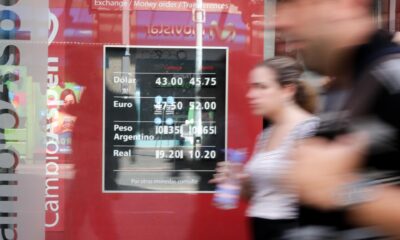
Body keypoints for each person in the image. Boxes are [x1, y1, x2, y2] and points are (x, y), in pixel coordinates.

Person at [274, 0, 400, 238]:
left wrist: (341, 190)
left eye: (295, 5)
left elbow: (334, 188)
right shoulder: (347, 84)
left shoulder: (392, 78)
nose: (280, 22)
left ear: (344, 5)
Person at [211, 56, 319, 240]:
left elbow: (318, 194)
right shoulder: (266, 135)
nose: (250, 94)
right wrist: (239, 180)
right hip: (262, 228)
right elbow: (260, 195)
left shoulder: (308, 129)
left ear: (288, 90)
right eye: (252, 87)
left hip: (290, 229)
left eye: (261, 87)